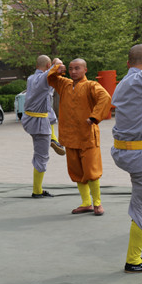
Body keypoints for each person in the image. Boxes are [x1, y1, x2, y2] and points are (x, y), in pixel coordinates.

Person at [47, 58, 112, 215]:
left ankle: (97, 203)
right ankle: (86, 202)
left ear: (85, 70)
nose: (73, 71)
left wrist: (94, 117)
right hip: (70, 137)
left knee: (91, 171)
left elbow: (106, 98)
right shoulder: (65, 85)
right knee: (77, 172)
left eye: (77, 68)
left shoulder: (91, 86)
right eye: (70, 68)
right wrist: (58, 66)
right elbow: (51, 77)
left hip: (87, 136)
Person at [111, 44, 142, 273]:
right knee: (141, 206)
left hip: (125, 151)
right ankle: (133, 260)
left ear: (128, 63)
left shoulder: (123, 82)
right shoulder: (139, 80)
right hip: (138, 154)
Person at [22, 55, 64, 198]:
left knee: (50, 112)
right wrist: (56, 61)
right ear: (47, 65)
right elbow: (59, 65)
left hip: (33, 118)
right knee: (41, 156)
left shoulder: (31, 78)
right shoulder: (42, 79)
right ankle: (37, 191)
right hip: (38, 123)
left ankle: (53, 138)